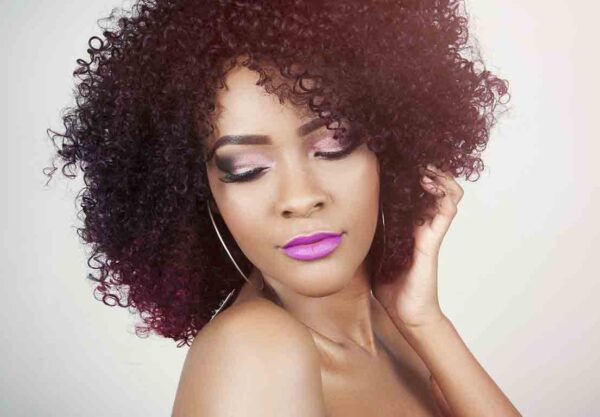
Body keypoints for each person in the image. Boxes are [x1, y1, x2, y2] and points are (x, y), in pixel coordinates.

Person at [45, 0, 519, 416]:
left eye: (332, 146)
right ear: (203, 193)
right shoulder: (256, 349)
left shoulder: (394, 329)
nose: (299, 197)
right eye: (247, 168)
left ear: (387, 151)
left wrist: (424, 322)